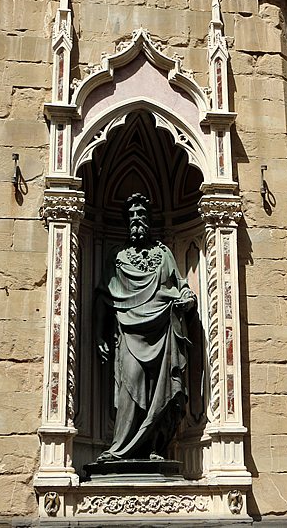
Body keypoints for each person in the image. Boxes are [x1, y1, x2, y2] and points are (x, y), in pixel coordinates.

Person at [94, 193, 196, 461]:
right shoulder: (117, 256)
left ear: (149, 220)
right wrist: (99, 333)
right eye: (132, 215)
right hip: (128, 333)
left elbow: (179, 285)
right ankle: (121, 448)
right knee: (131, 386)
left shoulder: (163, 254)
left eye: (141, 214)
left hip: (162, 330)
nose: (137, 219)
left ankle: (153, 447)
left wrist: (187, 298)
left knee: (158, 391)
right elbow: (105, 295)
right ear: (127, 221)